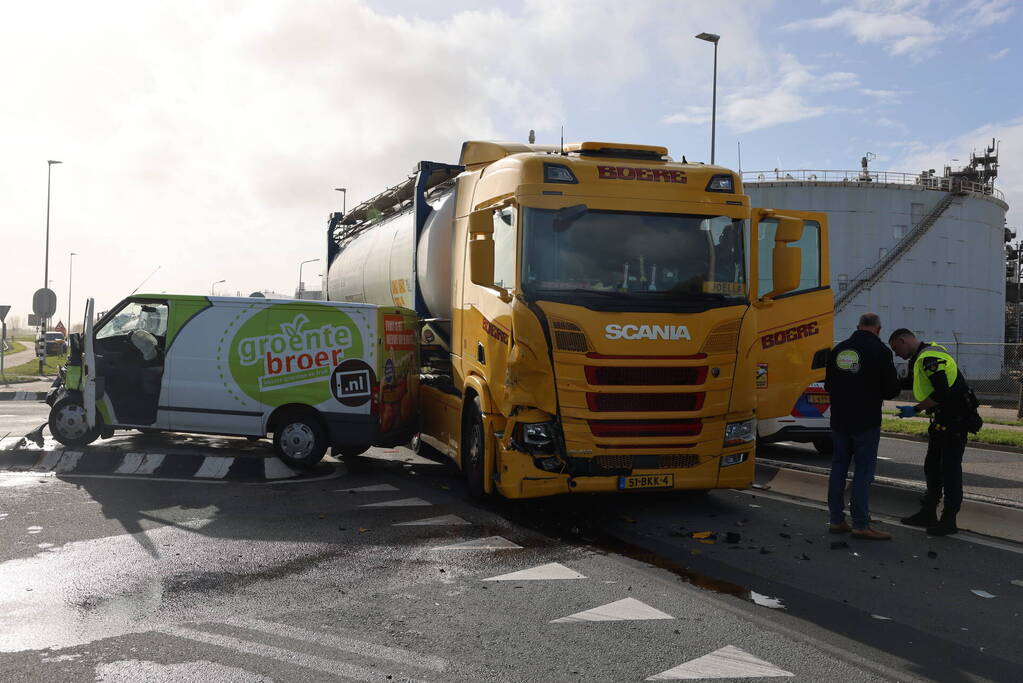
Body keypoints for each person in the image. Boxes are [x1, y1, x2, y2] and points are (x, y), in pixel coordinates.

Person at [889, 329, 981, 536]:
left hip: (956, 422)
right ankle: (928, 512)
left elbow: (941, 392)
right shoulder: (920, 357)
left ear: (904, 340)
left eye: (896, 348)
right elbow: (909, 383)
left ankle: (949, 519)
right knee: (932, 467)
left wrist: (915, 409)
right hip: (943, 420)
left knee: (949, 471)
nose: (896, 354)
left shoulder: (930, 357)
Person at [824, 313, 902, 540]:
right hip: (866, 421)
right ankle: (860, 523)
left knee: (838, 468)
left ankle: (836, 520)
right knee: (863, 472)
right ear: (879, 329)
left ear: (858, 326)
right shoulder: (880, 351)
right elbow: (890, 390)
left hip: (839, 420)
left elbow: (829, 385)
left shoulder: (839, 350)